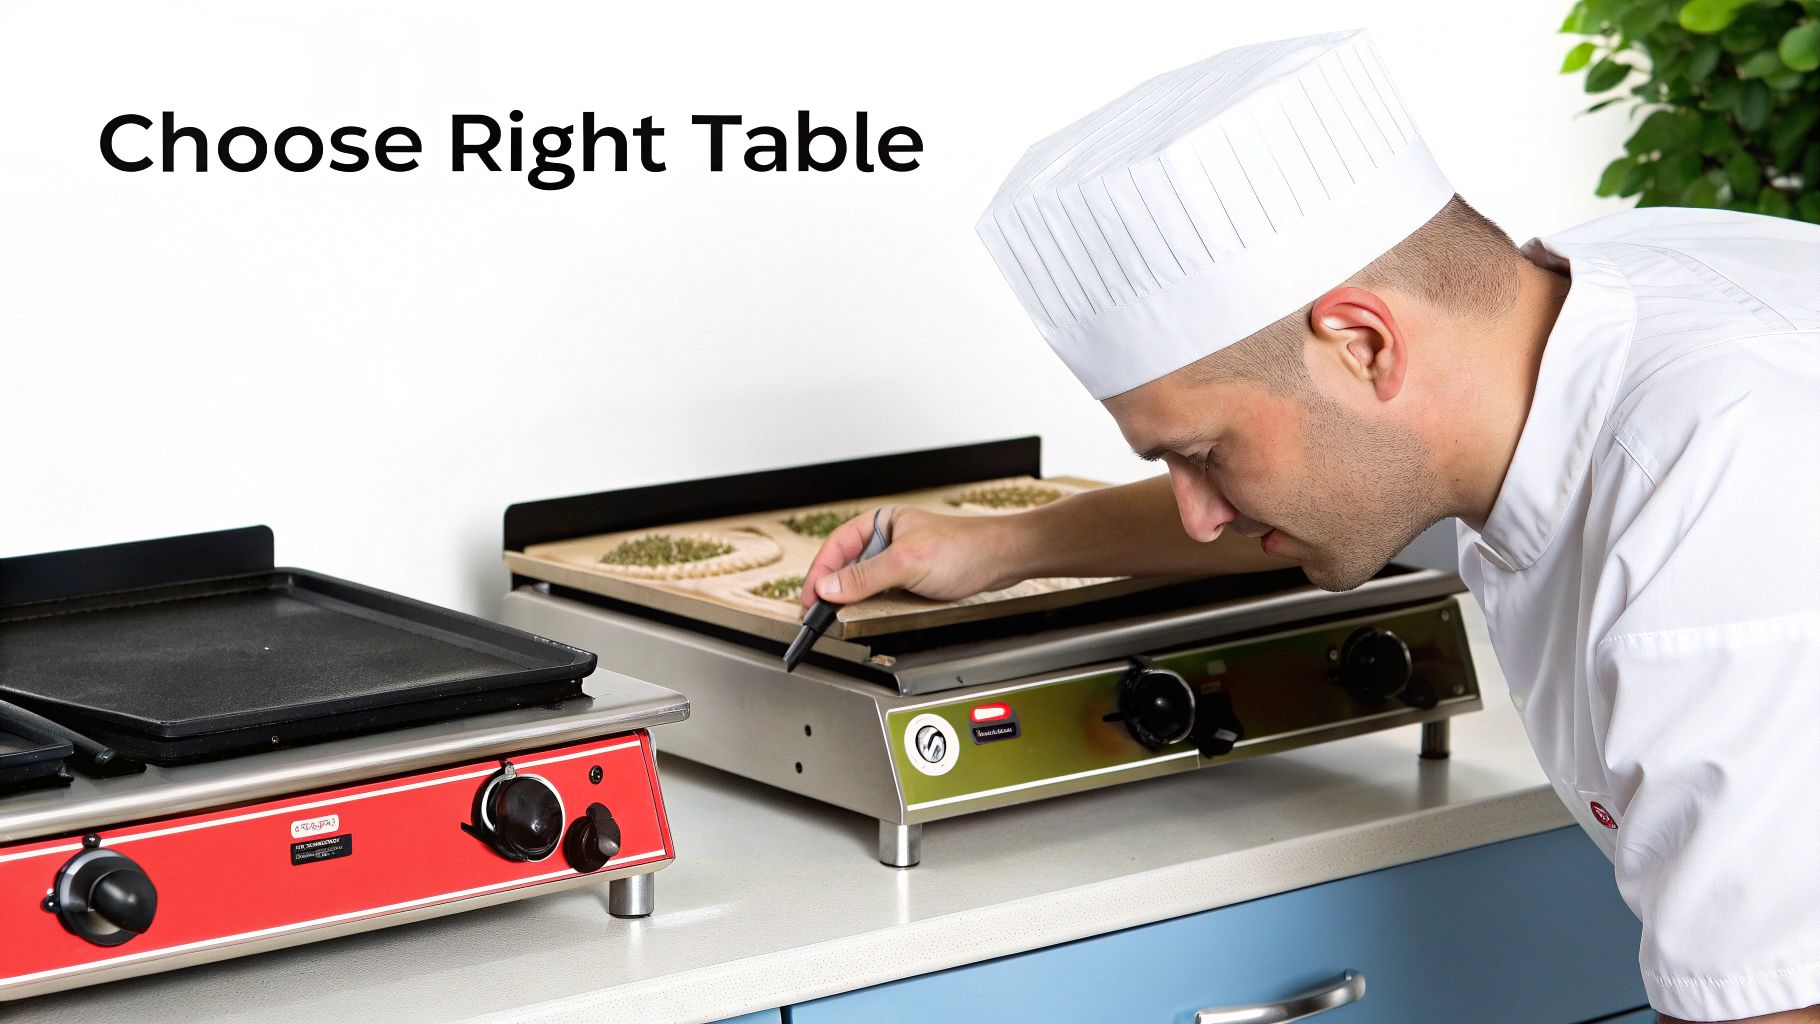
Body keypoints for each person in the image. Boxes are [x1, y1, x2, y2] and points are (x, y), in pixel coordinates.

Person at [801, 30, 1818, 1024]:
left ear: (1363, 345)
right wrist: (1002, 545)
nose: (1199, 516)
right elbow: (1333, 486)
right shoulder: (1551, 321)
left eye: (1201, 452)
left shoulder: (1706, 524)